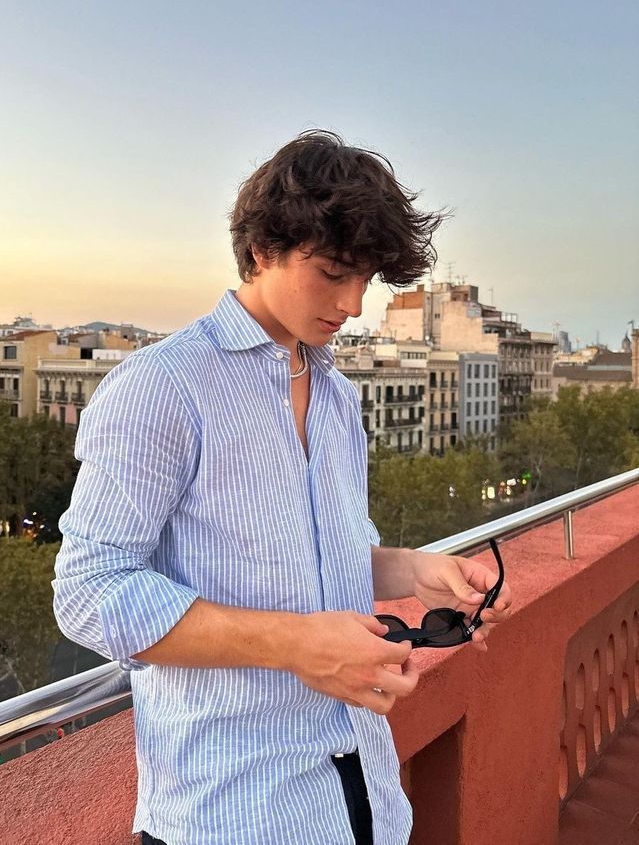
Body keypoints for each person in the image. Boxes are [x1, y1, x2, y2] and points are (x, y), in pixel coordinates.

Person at [52, 131, 512, 845]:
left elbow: (316, 560)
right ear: (263, 249)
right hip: (232, 813)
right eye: (332, 272)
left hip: (364, 799)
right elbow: (89, 592)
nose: (353, 304)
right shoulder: (162, 387)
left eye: (366, 280)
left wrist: (414, 570)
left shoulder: (331, 390)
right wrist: (295, 645)